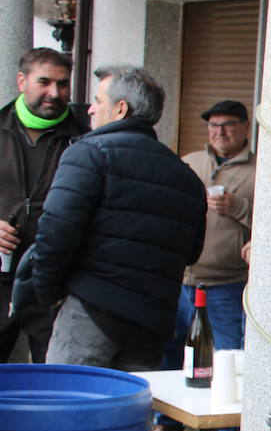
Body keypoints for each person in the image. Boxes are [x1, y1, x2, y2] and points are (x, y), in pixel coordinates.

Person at [10, 65, 205, 371]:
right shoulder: (187, 177)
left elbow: (56, 232)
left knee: (70, 399)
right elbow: (191, 252)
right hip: (152, 322)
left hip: (90, 312)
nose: (90, 109)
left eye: (98, 101)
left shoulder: (89, 153)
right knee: (129, 403)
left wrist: (46, 294)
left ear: (120, 109)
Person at [150, 100, 255, 431]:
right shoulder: (190, 163)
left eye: (228, 124)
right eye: (213, 125)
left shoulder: (261, 170)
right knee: (170, 353)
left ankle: (227, 429)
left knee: (227, 359)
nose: (219, 132)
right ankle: (167, 422)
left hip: (228, 283)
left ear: (245, 127)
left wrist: (239, 208)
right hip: (181, 279)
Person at [0, 48, 88, 362]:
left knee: (52, 375)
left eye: (62, 84)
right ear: (21, 81)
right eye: (44, 82)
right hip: (1, 275)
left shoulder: (85, 141)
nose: (55, 92)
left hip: (53, 282)